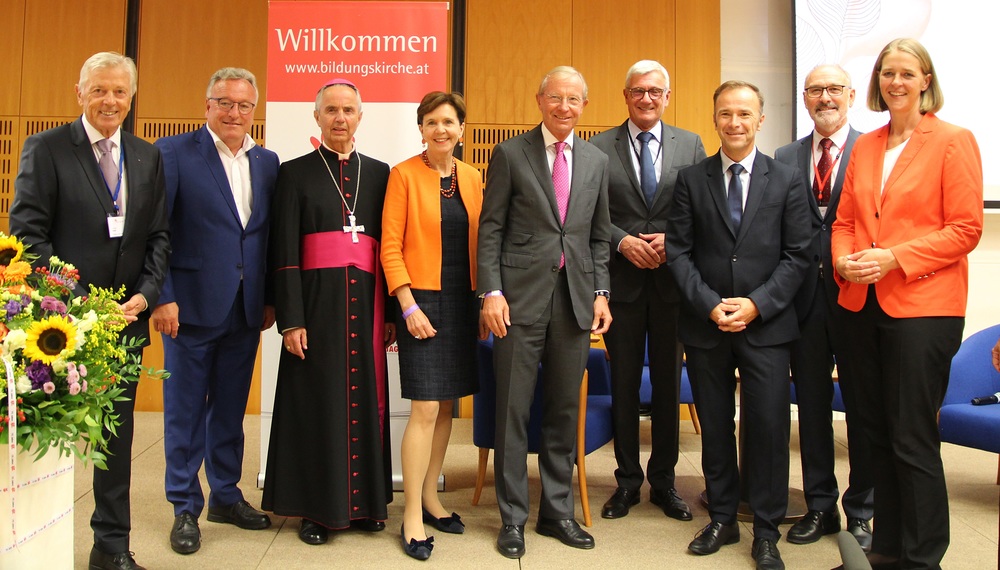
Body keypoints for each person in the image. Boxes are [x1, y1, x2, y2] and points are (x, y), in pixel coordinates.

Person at [10, 51, 170, 570]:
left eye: (120, 91)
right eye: (99, 89)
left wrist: (145, 295)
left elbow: (159, 237)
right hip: (63, 329)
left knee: (117, 439)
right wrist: (78, 306)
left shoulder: (147, 157)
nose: (110, 100)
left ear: (131, 98)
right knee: (51, 437)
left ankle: (112, 547)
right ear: (79, 92)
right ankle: (31, 545)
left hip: (126, 323)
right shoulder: (48, 148)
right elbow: (28, 236)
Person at [831, 38, 983, 569]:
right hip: (860, 304)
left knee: (912, 437)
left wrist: (893, 258)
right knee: (873, 436)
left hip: (924, 307)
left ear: (925, 81)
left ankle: (922, 559)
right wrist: (845, 261)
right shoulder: (867, 146)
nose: (895, 82)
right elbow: (846, 221)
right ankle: (887, 551)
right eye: (886, 73)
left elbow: (966, 229)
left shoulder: (952, 140)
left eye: (905, 73)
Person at [665, 80, 812, 570]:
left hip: (766, 327)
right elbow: (679, 251)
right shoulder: (691, 178)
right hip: (707, 326)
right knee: (715, 429)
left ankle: (766, 529)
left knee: (768, 428)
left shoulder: (787, 178)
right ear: (715, 118)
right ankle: (723, 518)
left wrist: (755, 304)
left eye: (744, 114)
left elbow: (798, 255)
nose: (735, 123)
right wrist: (709, 304)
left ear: (760, 120)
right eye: (726, 113)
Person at [477, 66, 612, 559]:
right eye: (556, 98)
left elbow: (599, 236)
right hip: (517, 301)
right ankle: (512, 517)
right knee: (512, 409)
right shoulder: (511, 153)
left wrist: (602, 291)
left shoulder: (596, 161)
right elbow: (490, 228)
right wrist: (490, 291)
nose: (564, 107)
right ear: (539, 100)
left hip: (575, 301)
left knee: (562, 409)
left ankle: (557, 513)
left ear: (584, 106)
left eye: (574, 100)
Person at [151, 67, 279, 555]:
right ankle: (185, 505)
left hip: (245, 309)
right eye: (224, 102)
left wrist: (269, 297)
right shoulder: (175, 154)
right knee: (184, 411)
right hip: (188, 307)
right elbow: (156, 233)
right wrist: (162, 296)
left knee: (229, 408)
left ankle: (225, 494)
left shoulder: (267, 162)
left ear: (254, 111)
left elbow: (265, 237)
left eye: (244, 105)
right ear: (207, 105)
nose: (234, 113)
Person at [261, 78, 394, 547]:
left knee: (365, 400)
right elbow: (283, 250)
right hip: (316, 308)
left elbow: (390, 247)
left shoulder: (380, 173)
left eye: (349, 110)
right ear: (316, 117)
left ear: (361, 116)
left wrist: (393, 314)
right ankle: (315, 509)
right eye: (331, 110)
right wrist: (291, 318)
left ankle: (367, 505)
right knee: (316, 404)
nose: (340, 118)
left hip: (367, 303)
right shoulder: (294, 173)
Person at [589, 59, 705, 522]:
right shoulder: (597, 147)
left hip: (673, 287)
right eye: (638, 91)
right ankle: (626, 483)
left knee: (665, 388)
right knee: (621, 386)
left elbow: (702, 210)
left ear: (667, 96)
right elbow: (590, 214)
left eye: (655, 91)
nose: (646, 98)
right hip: (621, 285)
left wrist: (673, 241)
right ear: (625, 95)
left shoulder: (691, 144)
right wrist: (623, 240)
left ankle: (664, 483)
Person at [380, 91, 486, 560]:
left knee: (446, 407)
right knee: (424, 408)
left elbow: (484, 242)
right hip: (420, 301)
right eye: (431, 122)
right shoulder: (403, 174)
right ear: (420, 128)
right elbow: (389, 247)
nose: (441, 130)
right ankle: (411, 516)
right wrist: (406, 306)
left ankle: (430, 496)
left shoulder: (472, 176)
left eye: (449, 122)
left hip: (462, 301)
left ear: (462, 129)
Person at [774, 64, 874, 551]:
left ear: (852, 95)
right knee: (811, 408)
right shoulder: (784, 156)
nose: (825, 98)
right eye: (816, 90)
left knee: (862, 408)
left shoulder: (873, 151)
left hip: (857, 301)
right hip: (802, 304)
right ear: (805, 97)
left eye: (835, 89)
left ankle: (861, 510)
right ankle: (820, 507)